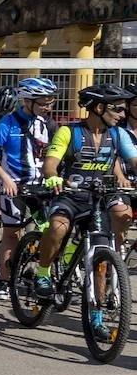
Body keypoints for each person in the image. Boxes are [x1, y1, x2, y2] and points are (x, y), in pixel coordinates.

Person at [32, 84, 137, 318]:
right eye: (117, 109)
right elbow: (50, 164)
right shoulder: (68, 132)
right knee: (58, 228)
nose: (122, 114)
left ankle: (96, 315)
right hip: (70, 195)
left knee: (101, 257)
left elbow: (134, 160)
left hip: (99, 200)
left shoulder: (119, 135)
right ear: (99, 108)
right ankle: (43, 272)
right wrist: (53, 177)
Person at [0, 76, 58, 300]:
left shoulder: (48, 124)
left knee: (50, 230)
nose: (47, 107)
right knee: (12, 234)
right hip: (13, 187)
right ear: (27, 101)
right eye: (43, 102)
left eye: (50, 102)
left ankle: (43, 274)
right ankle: (4, 282)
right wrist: (5, 179)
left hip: (40, 187)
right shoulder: (6, 123)